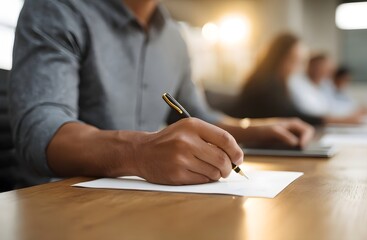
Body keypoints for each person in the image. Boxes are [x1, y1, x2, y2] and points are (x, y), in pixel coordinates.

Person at [8, 0, 314, 186]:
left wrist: (258, 129)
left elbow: (198, 115)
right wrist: (138, 151)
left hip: (148, 200)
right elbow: (40, 132)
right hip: (57, 205)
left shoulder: (174, 37)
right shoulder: (58, 8)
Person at [236, 33, 362, 126]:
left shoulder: (279, 82)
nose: (297, 68)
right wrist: (337, 120)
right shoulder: (264, 84)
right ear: (280, 58)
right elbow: (288, 116)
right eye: (295, 61)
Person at [288, 53, 367, 124]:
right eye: (326, 67)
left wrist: (353, 111)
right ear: (314, 66)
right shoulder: (298, 84)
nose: (330, 71)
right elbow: (311, 113)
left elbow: (329, 107)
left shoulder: (321, 86)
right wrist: (343, 119)